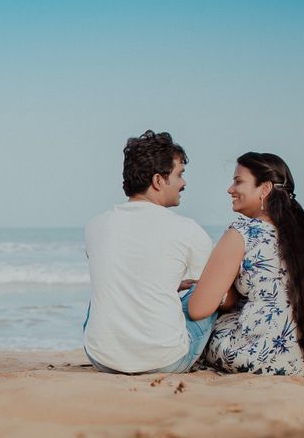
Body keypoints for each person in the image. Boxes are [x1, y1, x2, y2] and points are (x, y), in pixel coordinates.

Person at [187, 152, 304, 375]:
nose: (230, 189)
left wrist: (215, 292)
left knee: (192, 303)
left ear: (265, 189)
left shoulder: (242, 233)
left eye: (238, 181)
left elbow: (197, 309)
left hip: (259, 355)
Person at [84, 130, 216, 374]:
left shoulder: (95, 225)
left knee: (106, 287)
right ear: (158, 180)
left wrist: (164, 285)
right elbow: (216, 294)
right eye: (179, 175)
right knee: (210, 289)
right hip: (166, 361)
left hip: (102, 359)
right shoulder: (187, 229)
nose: (183, 183)